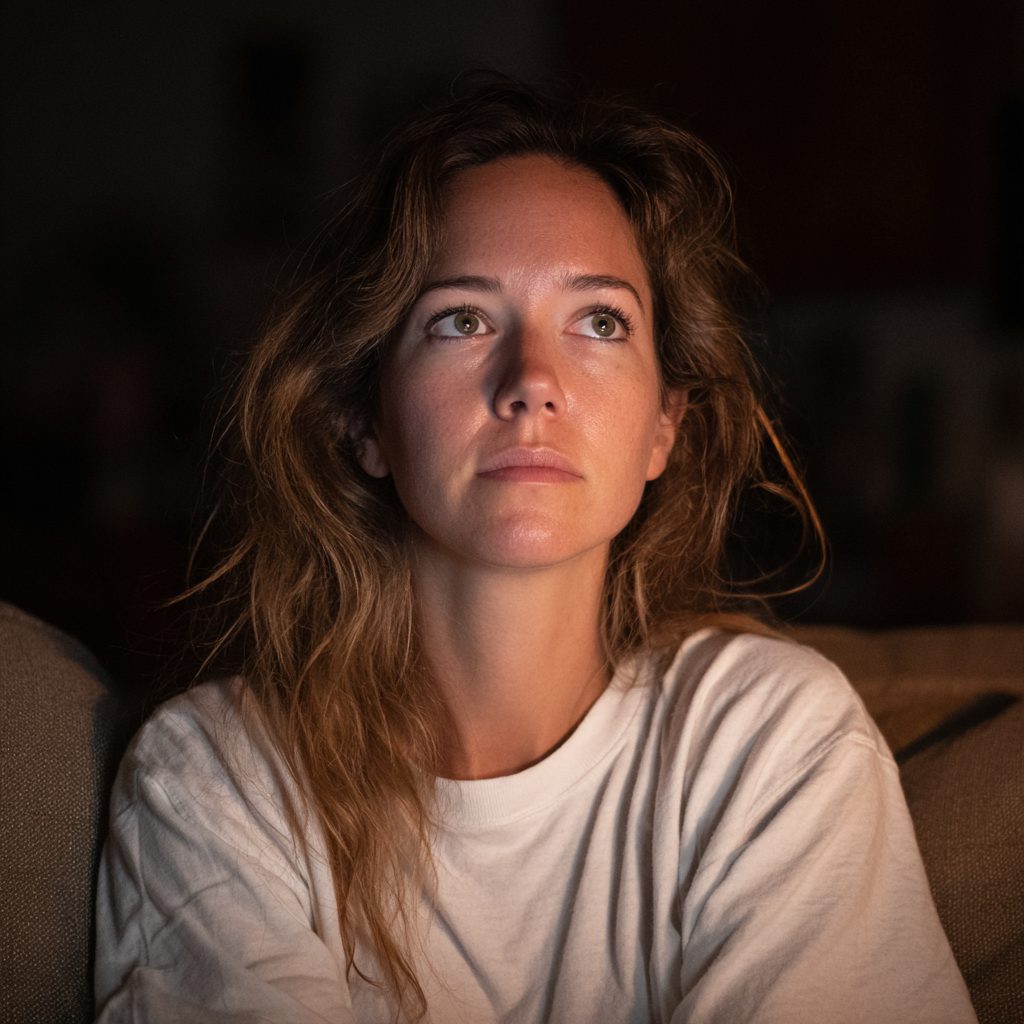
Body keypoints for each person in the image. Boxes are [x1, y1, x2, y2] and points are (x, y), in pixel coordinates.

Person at [93, 81, 977, 1023]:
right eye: (461, 320)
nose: (534, 384)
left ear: (662, 429)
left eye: (600, 321)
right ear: (366, 420)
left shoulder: (768, 742)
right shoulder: (217, 778)